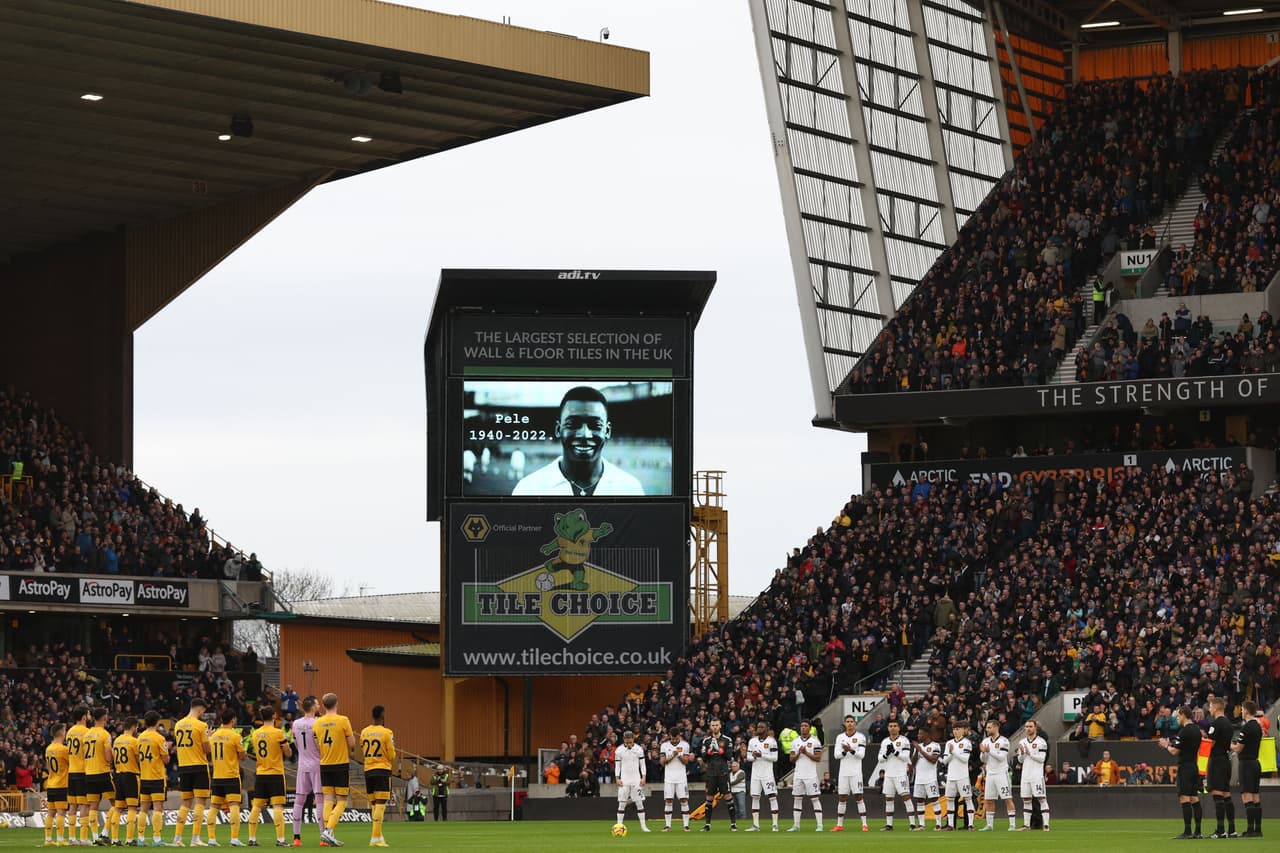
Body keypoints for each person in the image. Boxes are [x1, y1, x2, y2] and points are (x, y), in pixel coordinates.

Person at [511, 386, 644, 496]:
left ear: (607, 431)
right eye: (573, 424)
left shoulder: (631, 489)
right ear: (558, 429)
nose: (585, 435)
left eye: (595, 425)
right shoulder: (527, 489)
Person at [314, 692, 357, 848]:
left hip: (325, 764)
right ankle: (329, 830)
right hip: (340, 764)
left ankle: (328, 833)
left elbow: (317, 743)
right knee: (342, 801)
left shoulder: (317, 722)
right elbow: (352, 743)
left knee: (328, 799)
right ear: (337, 703)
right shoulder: (343, 720)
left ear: (324, 705)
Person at [248, 705, 293, 847]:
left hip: (261, 773)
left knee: (256, 806)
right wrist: (286, 745)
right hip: (275, 773)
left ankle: (252, 838)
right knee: (278, 806)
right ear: (274, 716)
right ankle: (280, 840)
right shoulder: (278, 733)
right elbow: (288, 753)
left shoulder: (255, 733)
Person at [171, 698, 211, 847]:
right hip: (199, 766)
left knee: (185, 802)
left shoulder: (178, 725)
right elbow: (206, 749)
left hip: (184, 767)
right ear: (200, 710)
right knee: (200, 802)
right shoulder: (201, 725)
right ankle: (195, 838)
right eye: (203, 712)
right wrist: (210, 738)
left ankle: (177, 838)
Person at [1161, 704, 1204, 839]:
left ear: (1184, 715)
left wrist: (1166, 745)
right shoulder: (1197, 730)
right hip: (1194, 766)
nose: (1177, 718)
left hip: (1185, 767)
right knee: (1194, 798)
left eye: (1178, 716)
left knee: (1184, 798)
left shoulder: (1184, 731)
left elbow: (1175, 751)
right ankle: (1198, 832)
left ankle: (1187, 832)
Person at [207, 709, 246, 847]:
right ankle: (234, 838)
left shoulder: (213, 736)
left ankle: (211, 839)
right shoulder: (235, 736)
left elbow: (207, 751)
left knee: (213, 807)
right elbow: (242, 756)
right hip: (231, 776)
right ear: (233, 720)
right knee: (234, 805)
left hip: (217, 776)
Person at [360, 705, 397, 848]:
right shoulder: (387, 732)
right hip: (382, 769)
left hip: (368, 770)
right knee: (381, 804)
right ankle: (375, 838)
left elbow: (362, 748)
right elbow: (392, 754)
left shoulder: (364, 732)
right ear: (383, 715)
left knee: (374, 805)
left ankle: (378, 835)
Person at [289, 696, 324, 846]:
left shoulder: (295, 723)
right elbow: (320, 744)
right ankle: (324, 837)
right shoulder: (318, 723)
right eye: (317, 703)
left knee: (299, 801)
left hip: (303, 764)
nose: (319, 705)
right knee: (320, 800)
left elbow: (295, 743)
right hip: (317, 764)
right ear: (313, 707)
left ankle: (296, 838)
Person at [136, 711, 170, 848]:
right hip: (156, 777)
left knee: (143, 809)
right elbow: (166, 759)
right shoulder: (159, 738)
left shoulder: (140, 737)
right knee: (157, 808)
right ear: (157, 722)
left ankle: (140, 838)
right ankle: (156, 838)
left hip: (144, 776)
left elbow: (138, 757)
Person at [83, 706, 115, 845]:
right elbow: (108, 757)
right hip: (103, 773)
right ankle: (105, 832)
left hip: (89, 773)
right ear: (104, 717)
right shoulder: (105, 734)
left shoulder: (87, 735)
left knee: (93, 807)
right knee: (116, 803)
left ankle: (95, 837)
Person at [1231, 700, 1263, 837]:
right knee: (1256, 796)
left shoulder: (1247, 727)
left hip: (1246, 764)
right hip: (1255, 763)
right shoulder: (1258, 726)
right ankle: (1257, 829)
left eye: (1243, 710)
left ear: (1247, 711)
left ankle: (1250, 829)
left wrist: (1229, 744)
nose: (1242, 712)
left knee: (1247, 795)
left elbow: (1238, 748)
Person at [1207, 696, 1238, 838]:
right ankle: (1232, 830)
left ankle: (1220, 830)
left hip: (1217, 761)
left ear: (1216, 707)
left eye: (1211, 706)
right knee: (1226, 795)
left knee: (1217, 795)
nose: (1209, 709)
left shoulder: (1216, 724)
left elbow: (1210, 744)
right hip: (1226, 760)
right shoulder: (1228, 723)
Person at [878, 719, 917, 831]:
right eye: (891, 726)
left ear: (899, 728)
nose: (893, 727)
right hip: (889, 775)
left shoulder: (904, 740)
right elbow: (880, 759)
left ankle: (912, 824)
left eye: (895, 725)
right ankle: (889, 825)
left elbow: (905, 756)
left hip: (900, 774)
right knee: (889, 799)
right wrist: (886, 754)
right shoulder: (885, 741)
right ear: (888, 728)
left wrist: (895, 752)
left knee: (906, 797)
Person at [832, 714, 868, 832]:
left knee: (858, 796)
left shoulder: (861, 737)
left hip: (856, 772)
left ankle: (864, 824)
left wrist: (851, 750)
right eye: (847, 721)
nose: (850, 723)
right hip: (843, 772)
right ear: (845, 724)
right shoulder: (839, 737)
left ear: (855, 724)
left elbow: (861, 755)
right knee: (842, 797)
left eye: (852, 721)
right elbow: (836, 755)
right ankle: (839, 825)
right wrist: (844, 752)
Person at [979, 719, 1016, 832]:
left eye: (989, 727)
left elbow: (1001, 757)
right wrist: (984, 752)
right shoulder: (985, 741)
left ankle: (1012, 825)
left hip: (1001, 773)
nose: (987, 729)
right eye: (987, 727)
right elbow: (983, 759)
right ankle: (989, 825)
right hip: (990, 773)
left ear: (996, 728)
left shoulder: (1004, 741)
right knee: (989, 800)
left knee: (1007, 799)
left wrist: (989, 751)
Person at [110, 717, 141, 847]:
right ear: (134, 727)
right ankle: (129, 839)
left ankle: (114, 839)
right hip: (131, 775)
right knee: (132, 808)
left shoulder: (117, 740)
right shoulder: (134, 741)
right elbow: (139, 759)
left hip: (118, 775)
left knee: (118, 808)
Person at [787, 719, 823, 832]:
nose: (803, 728)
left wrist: (806, 753)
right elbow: (791, 759)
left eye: (805, 726)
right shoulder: (795, 741)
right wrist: (799, 753)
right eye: (802, 726)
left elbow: (818, 758)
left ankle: (820, 825)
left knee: (815, 799)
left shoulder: (815, 741)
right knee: (797, 799)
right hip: (798, 775)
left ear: (810, 728)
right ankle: (796, 825)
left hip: (811, 775)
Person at [698, 719, 733, 831]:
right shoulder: (706, 741)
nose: (714, 727)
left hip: (723, 772)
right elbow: (703, 757)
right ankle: (707, 824)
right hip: (711, 773)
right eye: (713, 725)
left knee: (728, 796)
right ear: (710, 727)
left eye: (716, 725)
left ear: (720, 726)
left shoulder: (727, 740)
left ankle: (733, 824)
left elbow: (729, 756)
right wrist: (708, 752)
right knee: (709, 798)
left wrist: (721, 750)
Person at [745, 721, 780, 832]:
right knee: (755, 797)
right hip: (756, 773)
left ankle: (775, 824)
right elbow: (748, 757)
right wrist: (754, 757)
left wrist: (762, 755)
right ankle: (756, 825)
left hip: (767, 773)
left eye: (761, 727)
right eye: (758, 726)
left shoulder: (772, 741)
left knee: (772, 796)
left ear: (767, 729)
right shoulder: (752, 741)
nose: (759, 728)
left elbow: (775, 758)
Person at [1015, 721, 1050, 831]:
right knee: (1026, 800)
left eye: (1030, 726)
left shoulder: (1041, 742)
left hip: (1037, 775)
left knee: (1042, 799)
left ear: (1035, 728)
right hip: (1026, 775)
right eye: (1026, 727)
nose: (1028, 729)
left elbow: (1042, 759)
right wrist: (1022, 752)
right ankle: (1026, 825)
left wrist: (1030, 753)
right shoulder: (1022, 741)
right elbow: (1020, 760)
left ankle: (1046, 825)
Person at [613, 730, 650, 833]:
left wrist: (643, 777)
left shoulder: (639, 749)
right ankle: (619, 826)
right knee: (622, 803)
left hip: (636, 780)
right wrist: (617, 778)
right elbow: (617, 766)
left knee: (639, 803)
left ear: (633, 739)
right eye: (627, 741)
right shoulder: (619, 750)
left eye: (630, 741)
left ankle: (643, 827)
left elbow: (642, 764)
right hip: (624, 780)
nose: (629, 744)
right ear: (624, 739)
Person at [942, 722, 975, 831]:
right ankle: (951, 825)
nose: (955, 731)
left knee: (968, 799)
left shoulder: (967, 743)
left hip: (963, 776)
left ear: (963, 730)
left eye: (958, 729)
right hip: (951, 776)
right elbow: (945, 761)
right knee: (950, 799)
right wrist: (951, 753)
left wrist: (954, 752)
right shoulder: (949, 743)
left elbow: (965, 759)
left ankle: (970, 824)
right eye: (954, 729)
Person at [65, 705, 89, 845]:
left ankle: (72, 837)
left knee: (73, 805)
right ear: (84, 717)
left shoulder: (69, 732)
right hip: (83, 771)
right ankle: (84, 838)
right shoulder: (86, 732)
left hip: (71, 771)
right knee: (84, 804)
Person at [659, 729, 691, 832]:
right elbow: (663, 762)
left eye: (676, 738)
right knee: (668, 800)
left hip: (681, 778)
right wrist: (672, 756)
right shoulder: (664, 746)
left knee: (684, 800)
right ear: (670, 736)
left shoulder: (685, 745)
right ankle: (667, 826)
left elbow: (686, 761)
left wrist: (679, 755)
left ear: (679, 736)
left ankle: (686, 826)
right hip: (669, 778)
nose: (674, 740)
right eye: (673, 738)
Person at [43, 723, 70, 848]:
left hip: (51, 783)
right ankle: (60, 838)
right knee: (61, 812)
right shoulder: (63, 749)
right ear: (61, 733)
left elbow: (49, 767)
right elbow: (71, 764)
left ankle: (48, 839)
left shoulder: (48, 748)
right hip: (61, 784)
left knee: (50, 812)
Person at [912, 728, 942, 831]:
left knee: (934, 800)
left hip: (930, 778)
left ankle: (938, 824)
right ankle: (921, 825)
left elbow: (933, 760)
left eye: (921, 733)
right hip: (919, 779)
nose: (918, 735)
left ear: (927, 734)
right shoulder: (918, 746)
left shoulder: (935, 746)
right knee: (920, 801)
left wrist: (920, 750)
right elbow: (913, 763)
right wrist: (916, 751)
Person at [728, 761, 747, 826]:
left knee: (741, 807)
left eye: (735, 766)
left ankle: (743, 820)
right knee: (734, 808)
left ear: (738, 766)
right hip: (732, 792)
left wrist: (729, 784)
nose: (733, 768)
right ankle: (735, 821)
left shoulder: (741, 772)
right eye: (732, 766)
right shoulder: (730, 773)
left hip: (740, 791)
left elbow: (737, 781)